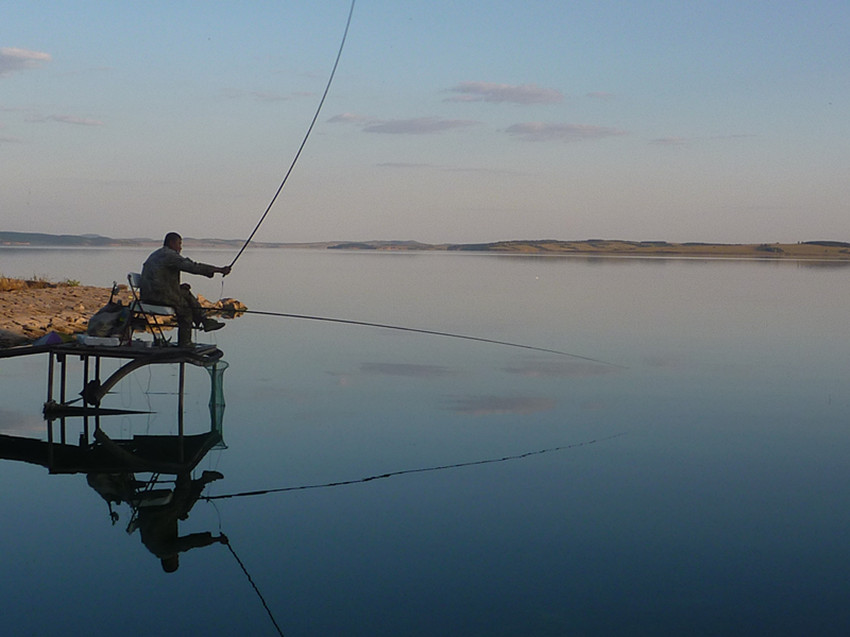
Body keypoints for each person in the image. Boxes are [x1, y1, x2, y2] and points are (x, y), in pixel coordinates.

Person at [140, 232, 232, 346]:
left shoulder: (158, 253)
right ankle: (185, 343)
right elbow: (192, 267)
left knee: (185, 292)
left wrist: (178, 287)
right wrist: (219, 270)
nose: (180, 247)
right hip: (157, 295)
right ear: (171, 243)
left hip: (149, 292)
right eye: (179, 244)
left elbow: (158, 278)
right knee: (186, 310)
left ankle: (204, 320)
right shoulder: (170, 255)